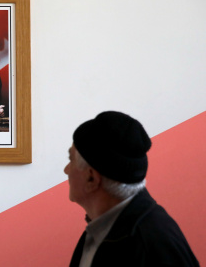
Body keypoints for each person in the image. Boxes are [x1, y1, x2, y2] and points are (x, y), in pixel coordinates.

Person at [65, 111, 199, 267]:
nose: (66, 169)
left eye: (71, 159)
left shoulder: (152, 244)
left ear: (91, 178)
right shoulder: (103, 227)